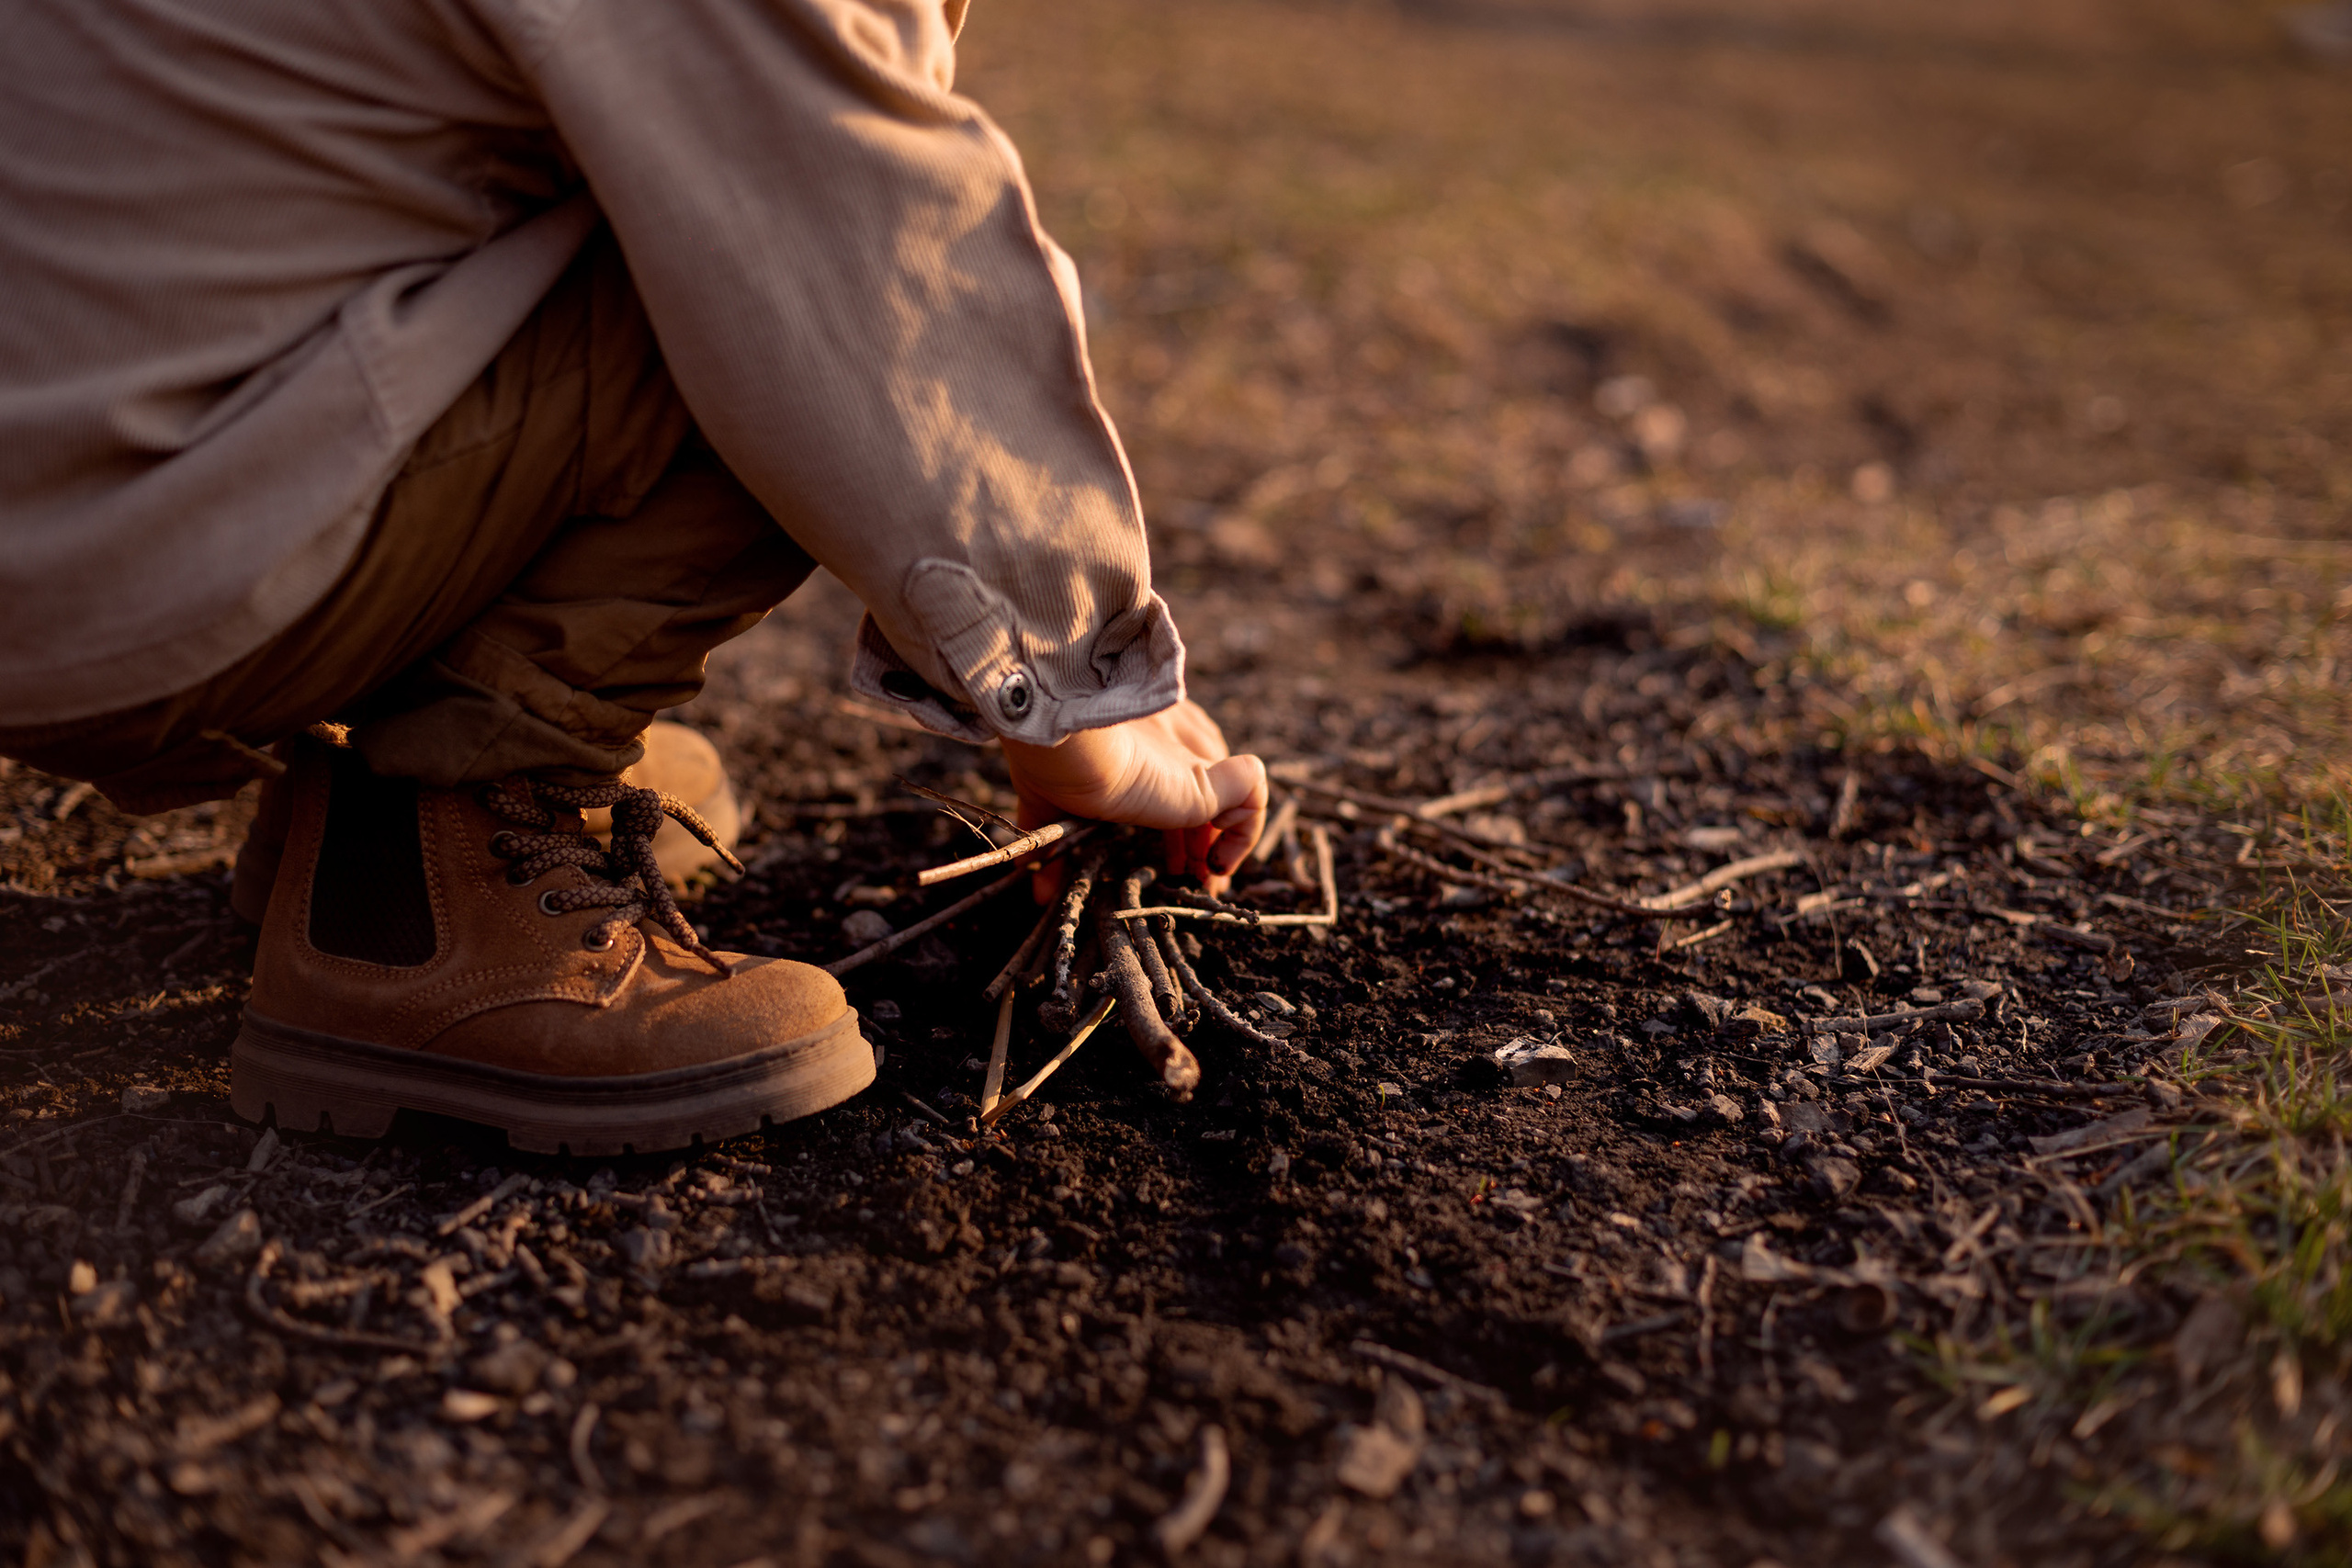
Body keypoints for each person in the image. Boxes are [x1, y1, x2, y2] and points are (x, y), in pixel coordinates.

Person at [0, 0, 1267, 1155]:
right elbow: (856, 241)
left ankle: (372, 791)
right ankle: (442, 875)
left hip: (80, 479)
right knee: (766, 278)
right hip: (125, 547)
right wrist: (1081, 700)